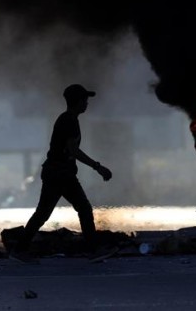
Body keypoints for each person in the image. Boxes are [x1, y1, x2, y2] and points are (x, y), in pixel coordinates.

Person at [9, 84, 117, 264]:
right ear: (77, 101)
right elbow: (73, 150)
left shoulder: (68, 119)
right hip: (60, 174)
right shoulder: (69, 121)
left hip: (58, 173)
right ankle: (93, 250)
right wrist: (97, 167)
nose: (87, 103)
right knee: (82, 208)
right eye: (85, 100)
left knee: (44, 213)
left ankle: (19, 249)